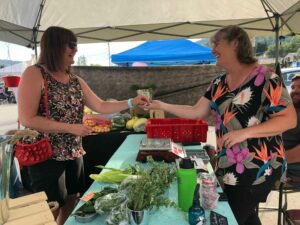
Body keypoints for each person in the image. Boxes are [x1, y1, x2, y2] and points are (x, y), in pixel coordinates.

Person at [144, 25, 297, 225]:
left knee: (231, 218)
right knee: (246, 217)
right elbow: (196, 111)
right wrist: (162, 105)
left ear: (235, 43)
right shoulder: (218, 83)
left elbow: (289, 119)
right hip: (229, 167)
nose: (212, 50)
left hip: (259, 168)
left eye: (216, 44)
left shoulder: (267, 78)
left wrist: (245, 133)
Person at [17, 26, 148, 225]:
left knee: (73, 197)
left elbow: (101, 105)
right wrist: (71, 128)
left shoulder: (75, 80)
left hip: (73, 151)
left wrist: (131, 102)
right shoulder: (34, 74)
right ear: (54, 46)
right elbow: (27, 118)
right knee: (50, 205)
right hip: (47, 154)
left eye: (76, 45)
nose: (75, 50)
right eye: (71, 45)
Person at [283, 73, 300, 184]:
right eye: (293, 87)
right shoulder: (292, 108)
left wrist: (278, 161)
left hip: (292, 167)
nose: (295, 90)